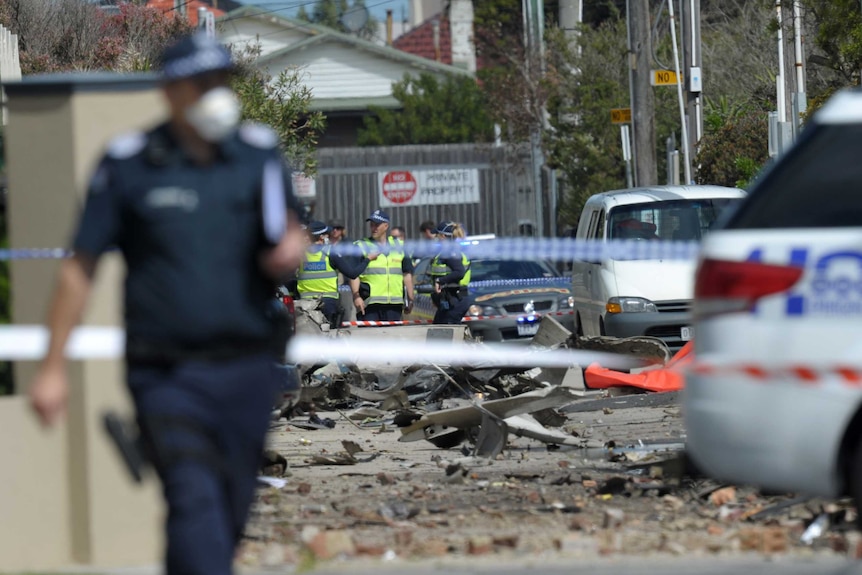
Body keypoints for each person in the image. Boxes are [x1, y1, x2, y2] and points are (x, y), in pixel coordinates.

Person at [27, 33, 305, 575]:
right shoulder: (130, 164)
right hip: (166, 372)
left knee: (224, 512)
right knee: (191, 494)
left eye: (221, 82)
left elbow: (286, 239)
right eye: (201, 83)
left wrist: (290, 251)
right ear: (170, 91)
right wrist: (52, 367)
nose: (215, 94)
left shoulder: (258, 154)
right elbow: (80, 267)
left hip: (247, 367)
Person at [294, 220, 369, 327]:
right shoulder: (330, 252)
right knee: (329, 338)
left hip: (305, 303)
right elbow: (352, 274)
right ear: (321, 237)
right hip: (327, 302)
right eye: (326, 235)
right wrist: (368, 260)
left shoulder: (300, 253)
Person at [350, 209, 414, 321]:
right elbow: (354, 275)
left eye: (377, 225)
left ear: (386, 226)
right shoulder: (361, 246)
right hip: (369, 304)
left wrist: (411, 297)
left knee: (392, 338)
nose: (374, 228)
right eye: (372, 225)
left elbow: (407, 273)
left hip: (394, 304)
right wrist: (356, 297)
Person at [429, 221, 471, 324]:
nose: (436, 238)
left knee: (446, 333)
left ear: (443, 236)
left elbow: (459, 272)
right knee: (438, 329)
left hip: (455, 300)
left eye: (437, 235)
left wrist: (440, 281)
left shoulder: (449, 253)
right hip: (451, 299)